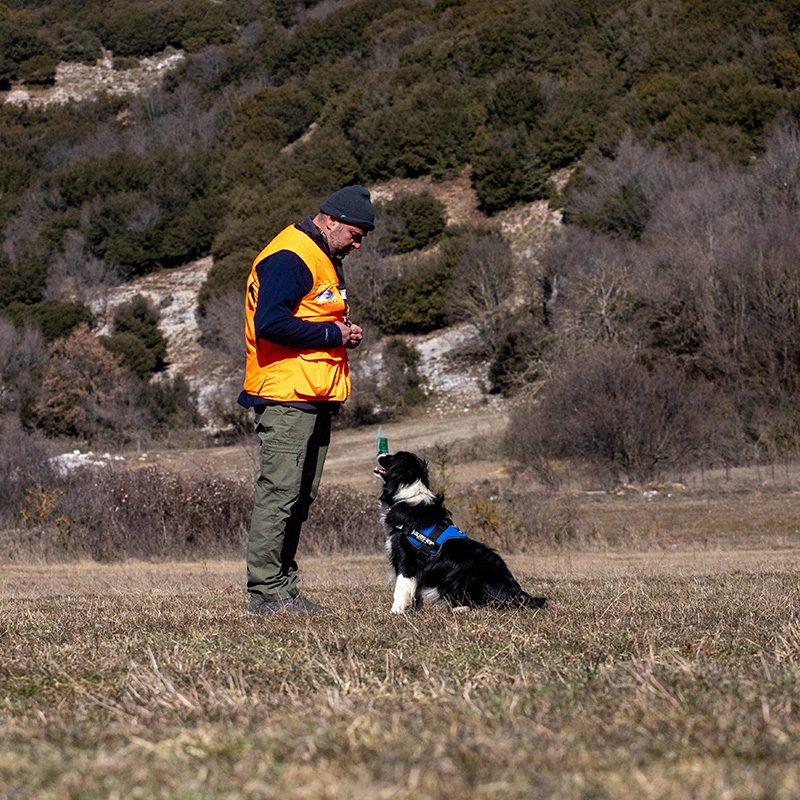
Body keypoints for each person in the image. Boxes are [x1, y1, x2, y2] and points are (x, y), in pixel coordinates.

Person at [239, 185, 374, 615]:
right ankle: (265, 593)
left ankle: (284, 588)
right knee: (279, 493)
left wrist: (342, 331)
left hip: (311, 395)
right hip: (285, 395)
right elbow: (271, 324)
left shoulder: (321, 257)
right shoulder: (290, 256)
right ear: (330, 219)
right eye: (354, 235)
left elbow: (310, 315)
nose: (358, 244)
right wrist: (334, 334)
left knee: (299, 496)